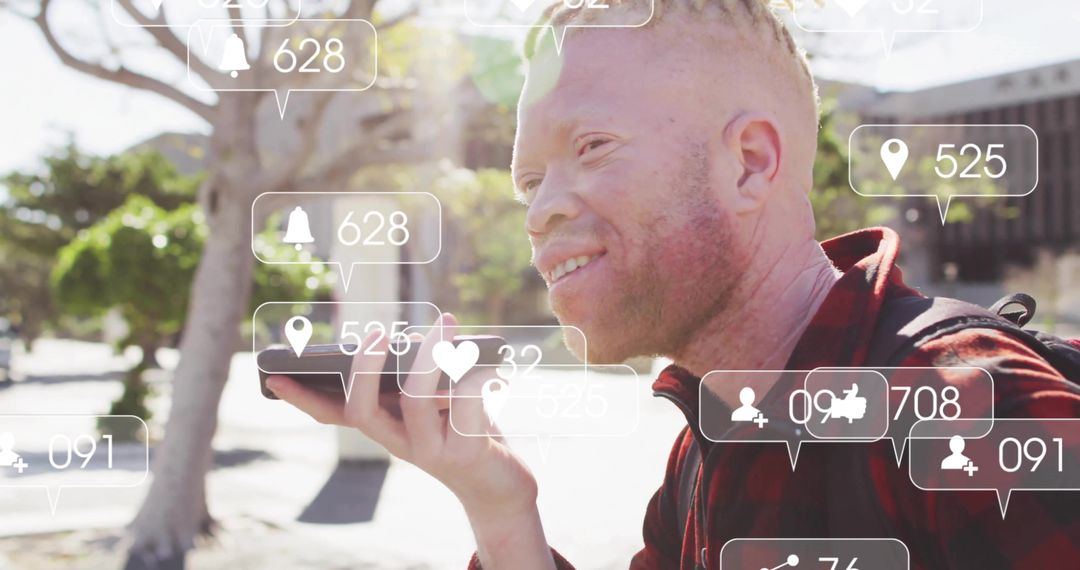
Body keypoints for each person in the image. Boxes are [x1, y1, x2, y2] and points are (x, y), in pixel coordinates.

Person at [266, 0, 1080, 568]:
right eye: (526, 182)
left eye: (591, 147)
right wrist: (498, 502)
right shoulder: (708, 436)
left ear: (749, 162)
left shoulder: (966, 407)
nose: (541, 211)